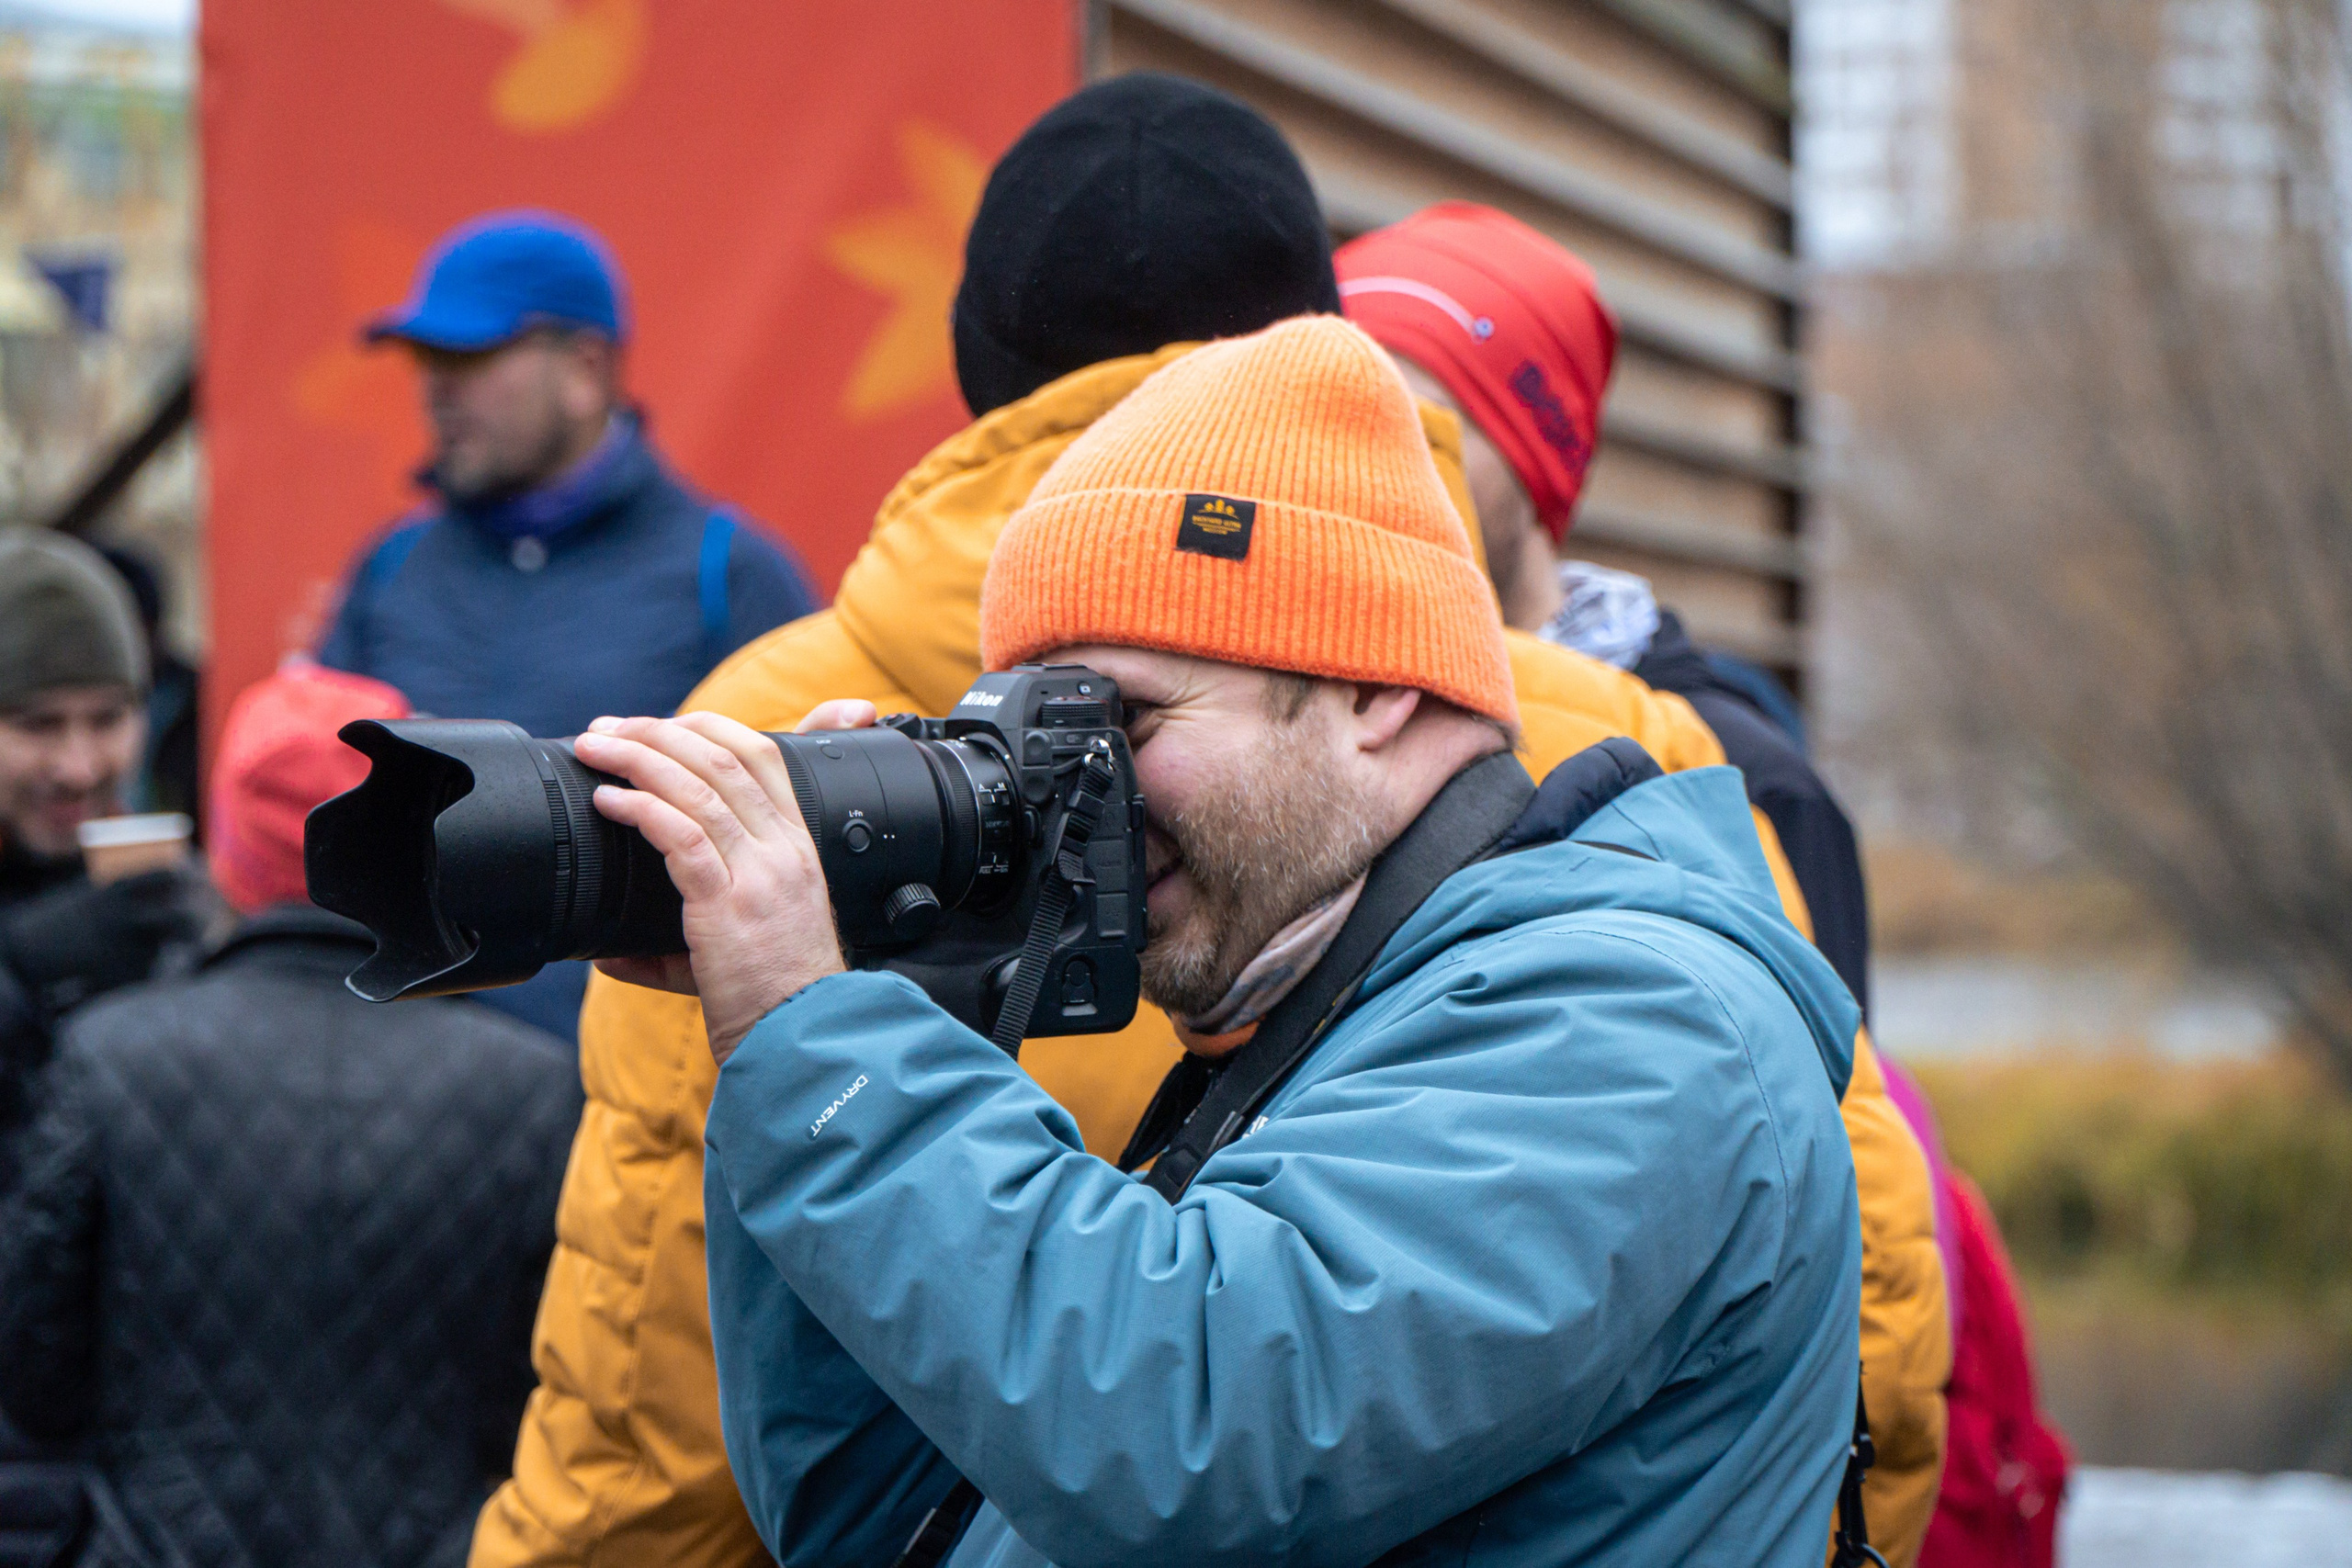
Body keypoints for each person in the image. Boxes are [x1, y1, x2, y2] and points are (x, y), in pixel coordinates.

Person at [470, 75, 1939, 1568]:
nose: (1071, 801)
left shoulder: (1629, 1025)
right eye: (1030, 732)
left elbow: (1197, 1441)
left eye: (1125, 723)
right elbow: (885, 1521)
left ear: (1375, 690)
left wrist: (826, 1044)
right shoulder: (1301, 1029)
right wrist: (859, 998)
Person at [1339, 200, 1948, 1559]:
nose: (1382, 448)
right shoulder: (1303, 721)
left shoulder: (1738, 764)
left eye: (1428, 404)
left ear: (1540, 452)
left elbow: (1835, 1184)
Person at [0, 663, 583, 1568]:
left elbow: (32, 1370)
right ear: (425, 843)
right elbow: (558, 1392)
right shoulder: (537, 1087)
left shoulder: (107, 1056)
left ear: (232, 849)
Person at [316, 209, 818, 1043]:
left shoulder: (728, 571)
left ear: (585, 369)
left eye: (469, 356)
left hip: (610, 1085)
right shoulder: (390, 567)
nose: (436, 387)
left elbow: (797, 847)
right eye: (426, 360)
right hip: (395, 1082)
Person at [0, 528, 209, 1167]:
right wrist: (17, 966)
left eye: (108, 718)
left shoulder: (159, 874)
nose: (78, 766)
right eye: (39, 724)